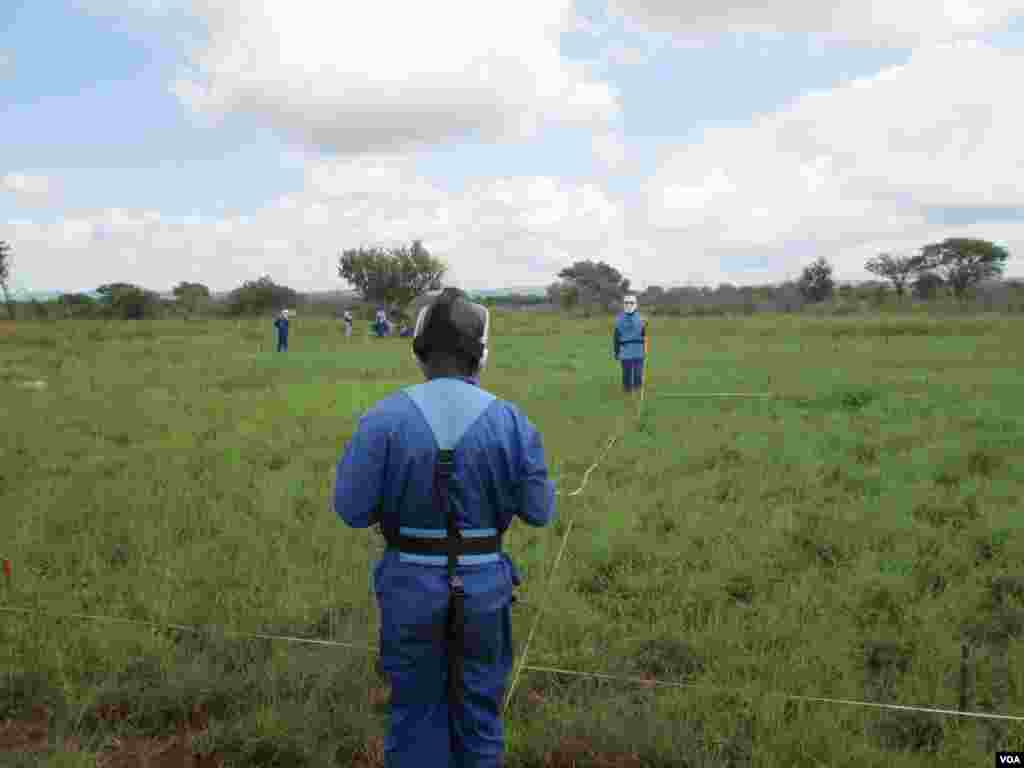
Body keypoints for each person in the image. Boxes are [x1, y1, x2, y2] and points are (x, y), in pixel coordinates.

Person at [334, 287, 556, 768]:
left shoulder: (381, 419)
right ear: (480, 353)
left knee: (414, 713)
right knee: (479, 713)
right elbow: (539, 510)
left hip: (409, 585)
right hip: (483, 590)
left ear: (419, 351)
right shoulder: (511, 420)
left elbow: (351, 509)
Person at [613, 294, 647, 394]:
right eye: (626, 303)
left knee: (638, 372)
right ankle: (627, 390)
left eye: (631, 303)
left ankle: (638, 388)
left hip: (638, 349)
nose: (628, 305)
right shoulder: (619, 319)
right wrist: (616, 351)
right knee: (626, 372)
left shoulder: (641, 318)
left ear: (635, 304)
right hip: (625, 349)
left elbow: (643, 334)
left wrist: (644, 328)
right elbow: (616, 336)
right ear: (623, 304)